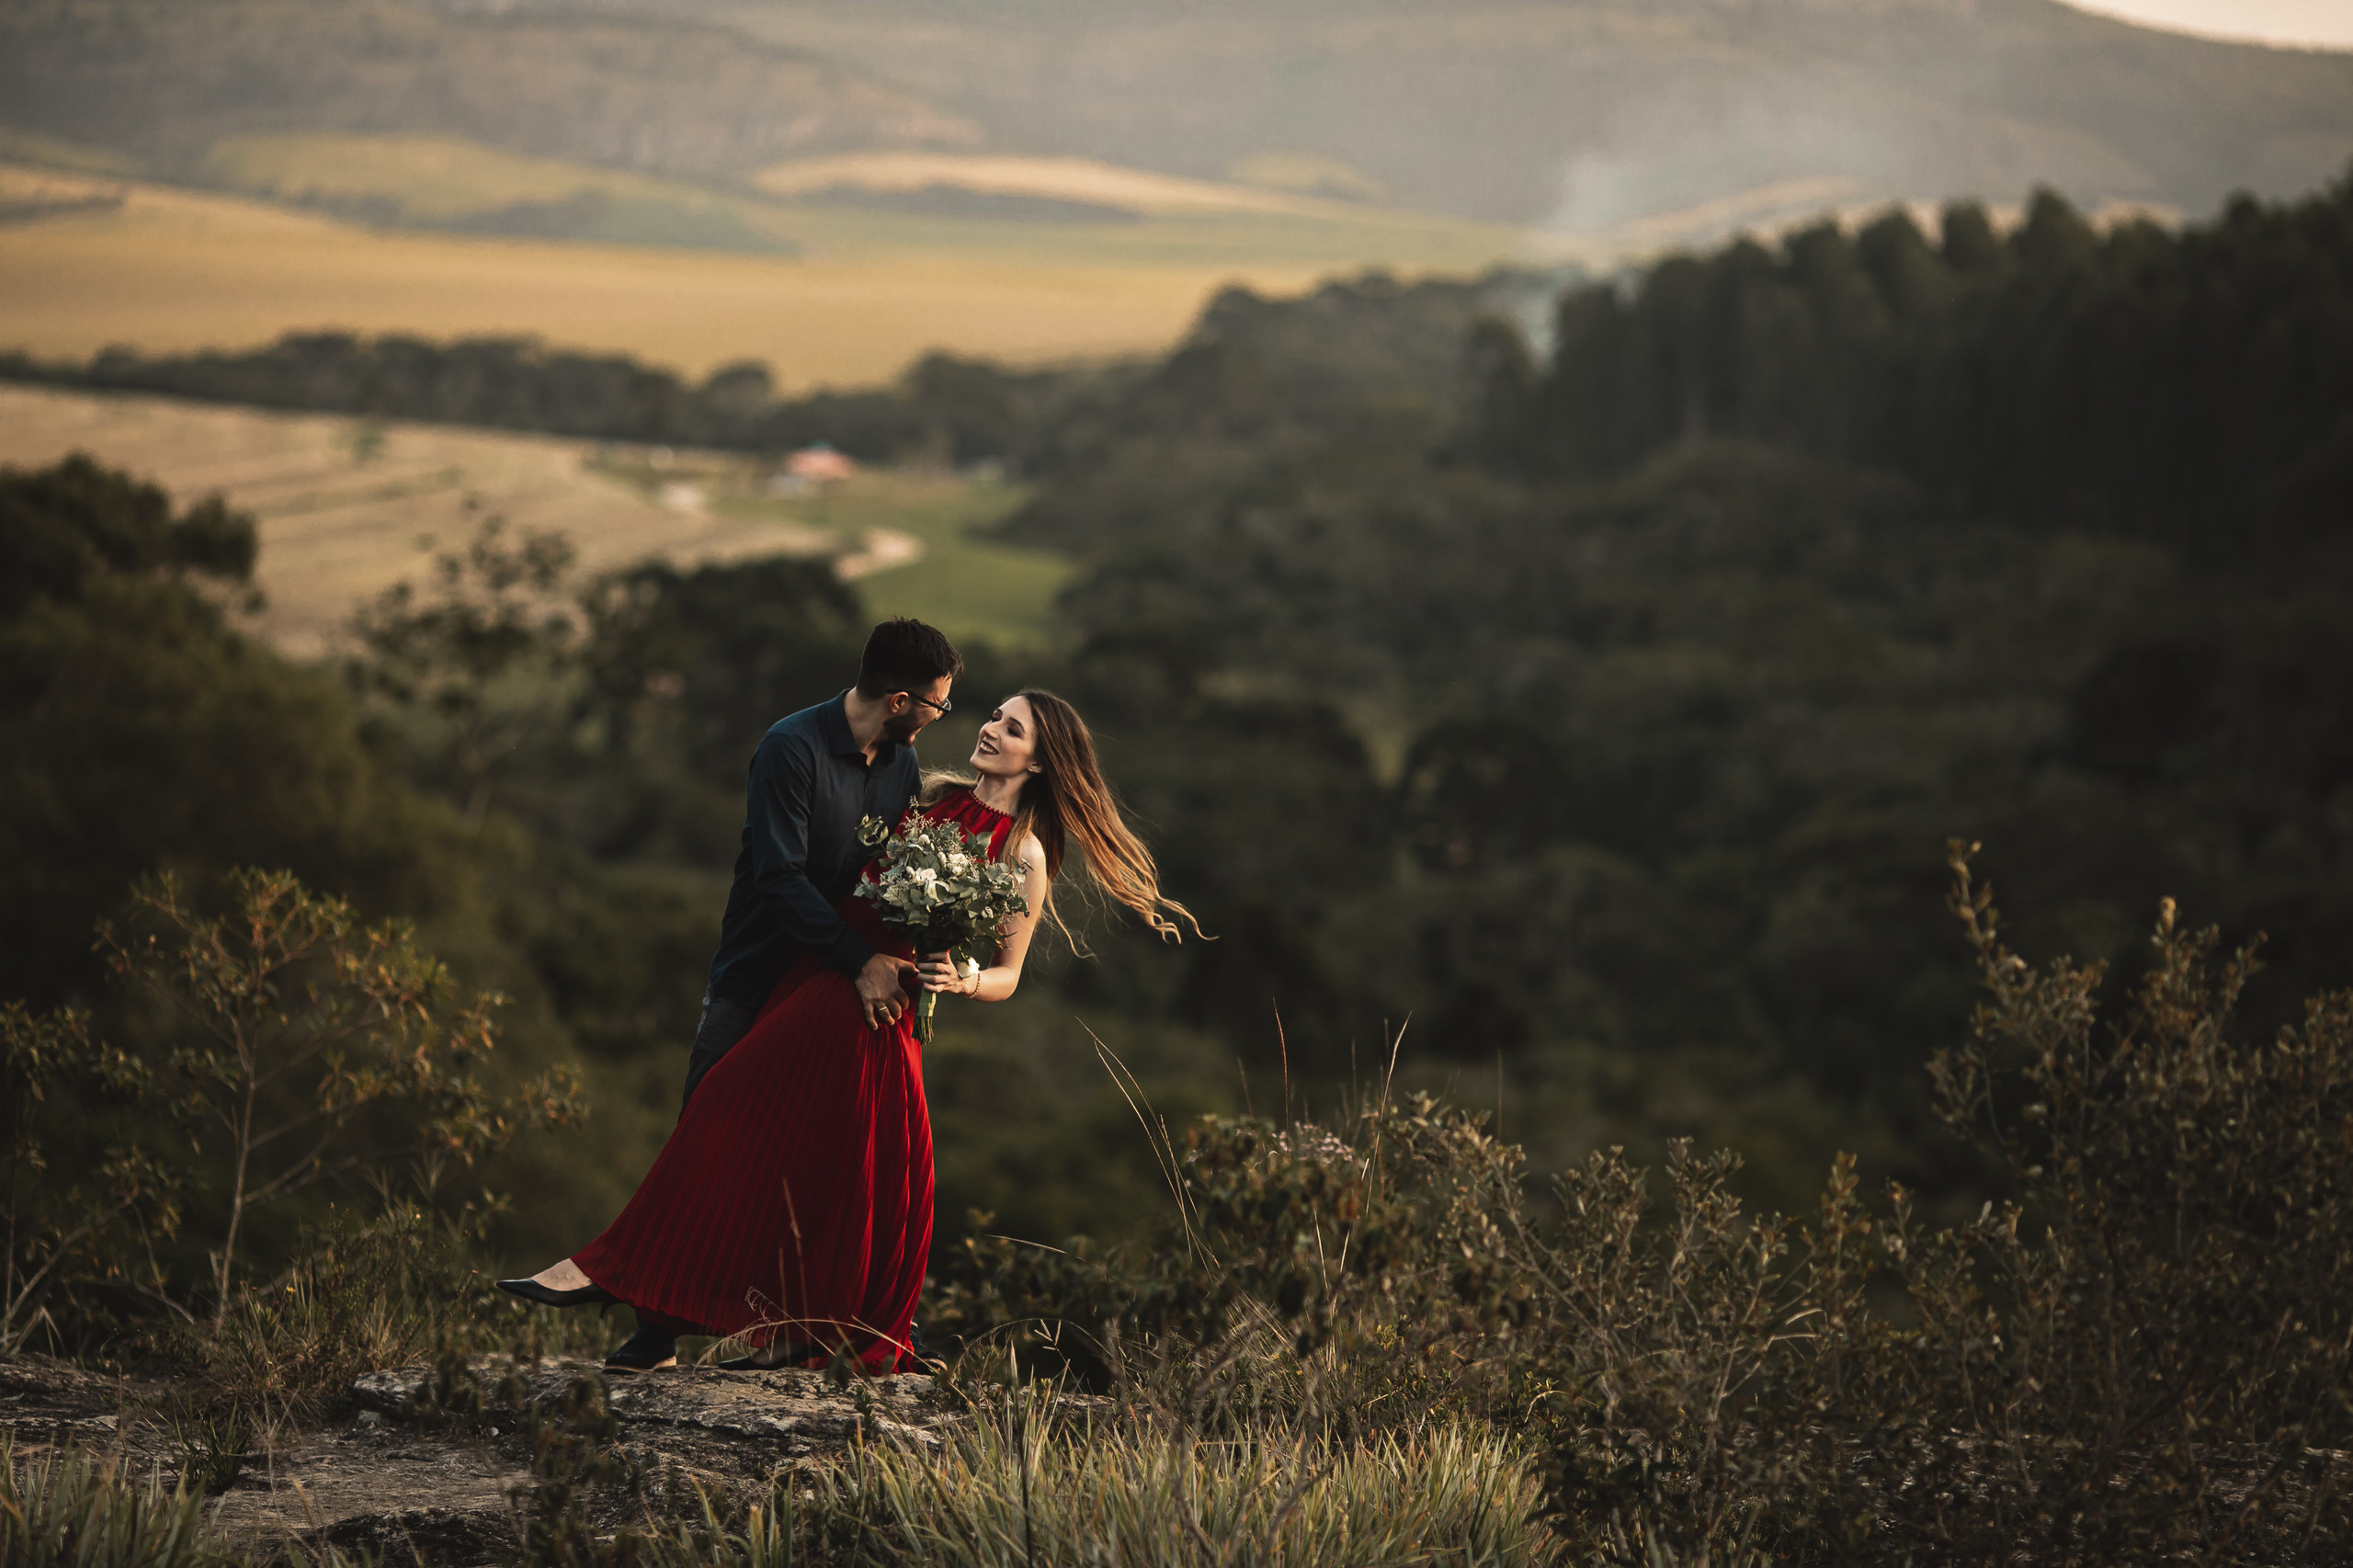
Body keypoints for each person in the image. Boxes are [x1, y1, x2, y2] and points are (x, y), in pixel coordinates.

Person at [498, 688, 1199, 1373]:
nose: (989, 729)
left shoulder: (1024, 854)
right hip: (820, 979)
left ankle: (741, 1310)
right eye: (993, 716)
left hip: (881, 1015)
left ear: (1040, 764)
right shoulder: (924, 798)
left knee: (832, 1167)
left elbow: (1007, 973)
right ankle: (631, 1282)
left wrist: (961, 980)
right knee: (732, 1115)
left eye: (1011, 730)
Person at [506, 617, 961, 1370]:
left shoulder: (901, 767)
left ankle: (786, 1320)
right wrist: (859, 959)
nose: (941, 718)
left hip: (830, 992)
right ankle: (653, 1326)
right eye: (939, 704)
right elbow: (779, 878)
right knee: (707, 1130)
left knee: (804, 1162)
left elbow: (889, 876)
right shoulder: (793, 748)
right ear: (902, 698)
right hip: (759, 973)